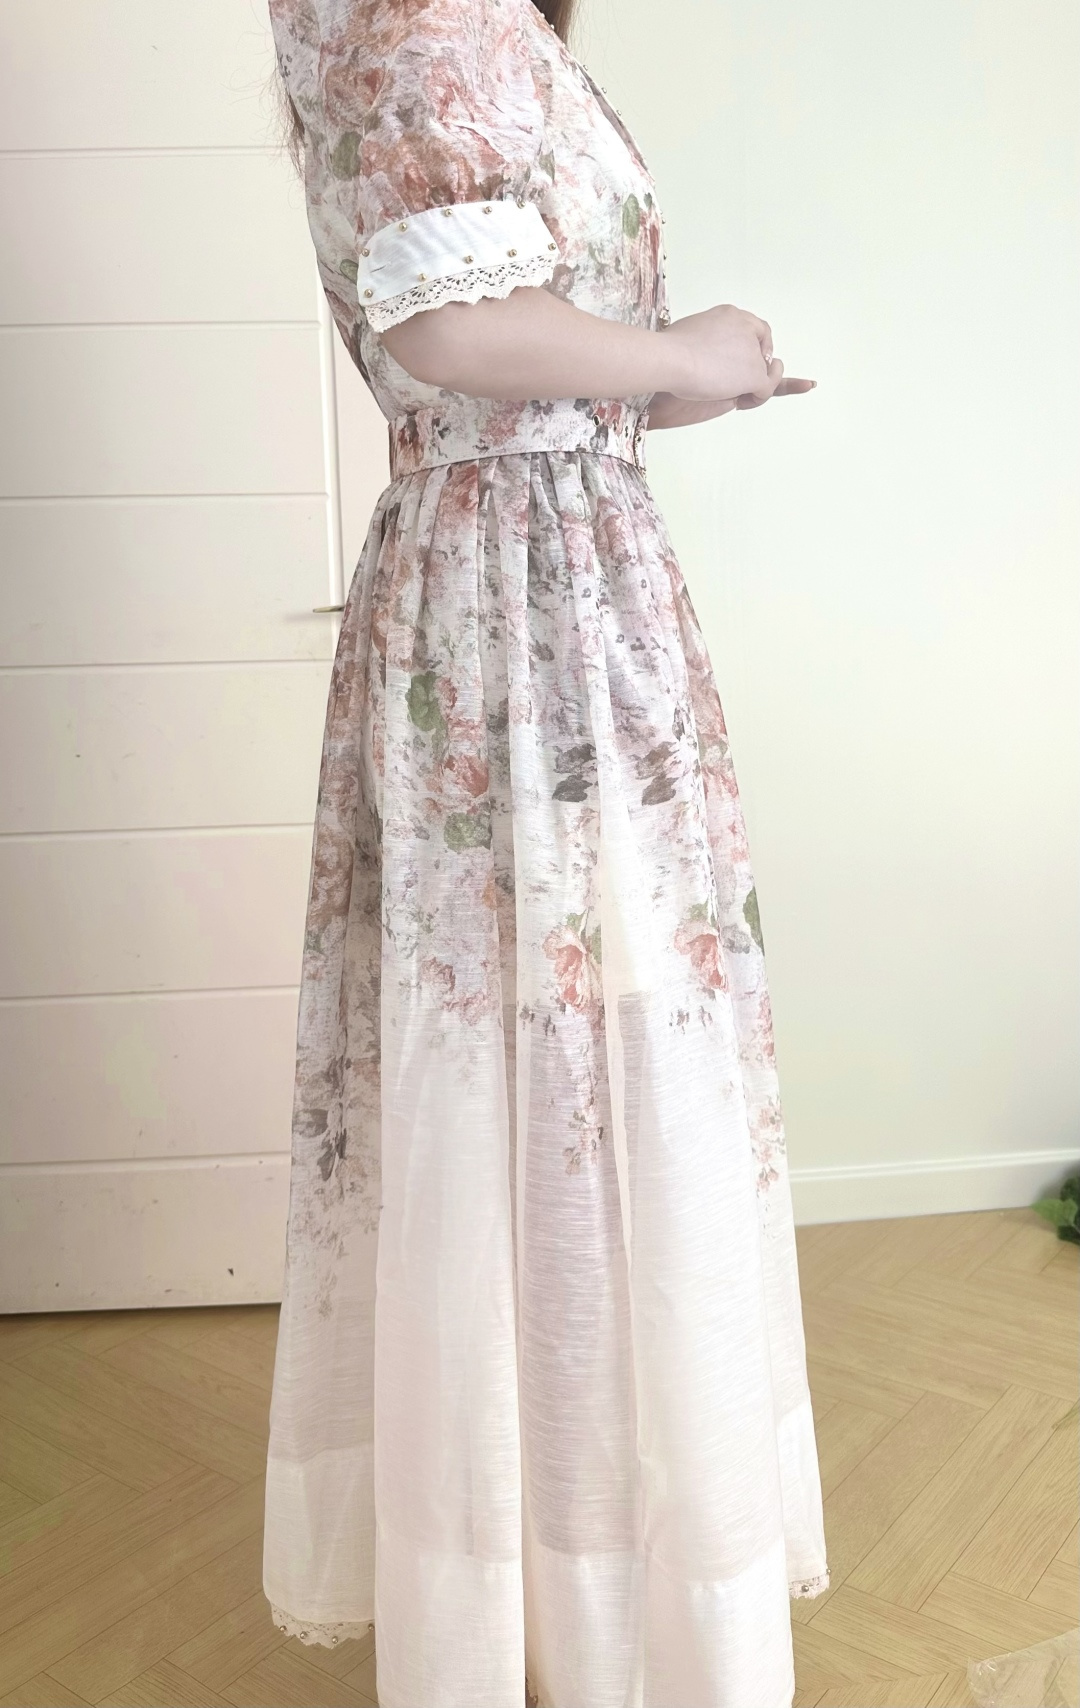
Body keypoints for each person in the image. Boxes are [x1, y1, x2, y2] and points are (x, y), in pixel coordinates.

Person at [262, 0, 830, 1702]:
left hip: (554, 575)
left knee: (573, 1065)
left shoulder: (480, 22)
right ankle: (564, 1602)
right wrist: (687, 354)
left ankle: (576, 1567)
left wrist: (675, 386)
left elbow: (496, 342)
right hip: (524, 606)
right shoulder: (413, 12)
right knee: (549, 1071)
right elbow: (448, 329)